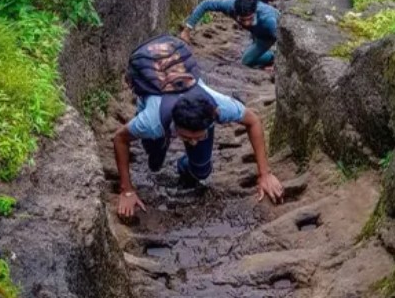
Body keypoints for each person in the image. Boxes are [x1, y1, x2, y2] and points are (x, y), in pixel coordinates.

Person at [112, 35, 284, 218]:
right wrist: (127, 190)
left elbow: (253, 120)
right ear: (174, 125)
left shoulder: (218, 106)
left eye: (198, 137)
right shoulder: (152, 121)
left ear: (212, 118)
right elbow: (120, 138)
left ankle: (182, 166)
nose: (193, 142)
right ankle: (158, 150)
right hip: (153, 93)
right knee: (154, 160)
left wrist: (264, 174)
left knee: (201, 170)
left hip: (179, 91)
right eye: (186, 138)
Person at [181, 0, 280, 69]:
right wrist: (186, 30)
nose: (246, 23)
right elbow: (206, 4)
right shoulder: (230, 5)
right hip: (256, 31)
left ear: (255, 13)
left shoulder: (270, 21)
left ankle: (271, 57)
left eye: (250, 19)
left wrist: (278, 65)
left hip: (267, 36)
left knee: (246, 61)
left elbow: (285, 43)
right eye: (242, 19)